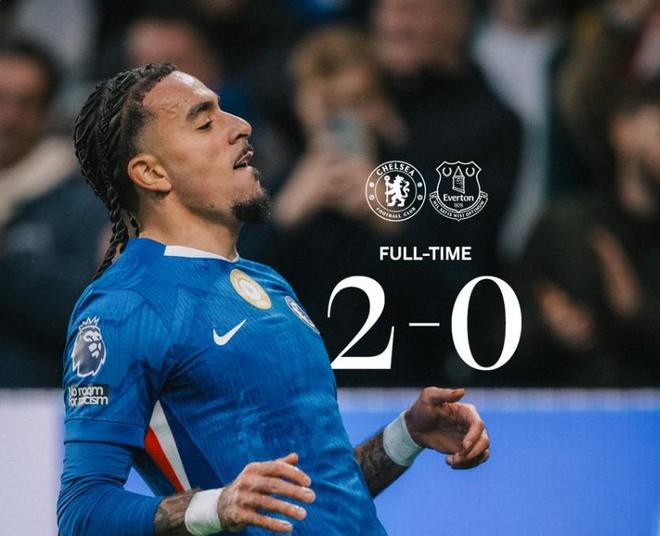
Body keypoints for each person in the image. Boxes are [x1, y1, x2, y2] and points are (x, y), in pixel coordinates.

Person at [56, 64, 491, 535]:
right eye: (204, 123)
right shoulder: (125, 306)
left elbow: (316, 494)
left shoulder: (267, 281)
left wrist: (405, 435)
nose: (240, 126)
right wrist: (217, 506)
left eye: (225, 111)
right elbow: (83, 510)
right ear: (151, 173)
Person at [514, 77, 660, 386]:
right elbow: (493, 340)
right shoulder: (564, 227)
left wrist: (637, 314)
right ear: (622, 130)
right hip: (568, 407)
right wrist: (549, 327)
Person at [0, 37, 107, 387]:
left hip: (36, 400)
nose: (9, 118)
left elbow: (91, 314)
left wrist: (9, 261)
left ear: (47, 112)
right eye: (1, 99)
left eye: (26, 103)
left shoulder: (83, 202)